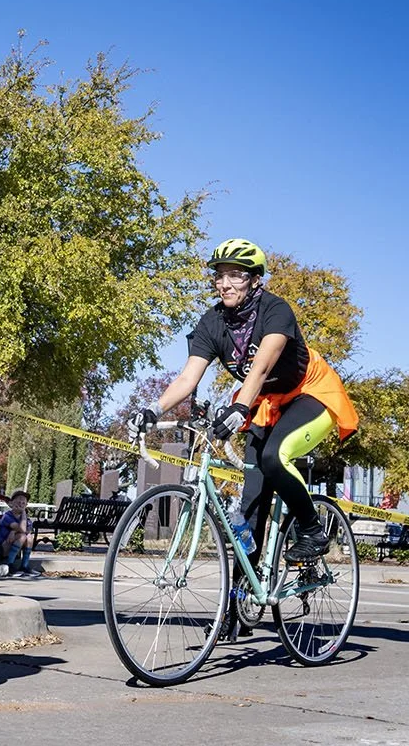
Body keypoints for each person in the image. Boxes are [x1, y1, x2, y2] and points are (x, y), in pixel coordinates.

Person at [127, 238, 358, 567]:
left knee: (274, 457)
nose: (225, 283)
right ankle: (238, 607)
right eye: (219, 276)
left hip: (310, 392)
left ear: (254, 279)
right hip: (264, 402)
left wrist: (239, 408)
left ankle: (312, 530)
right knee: (250, 506)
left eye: (235, 275)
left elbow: (261, 366)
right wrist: (152, 410)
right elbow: (187, 379)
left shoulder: (276, 310)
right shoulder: (212, 322)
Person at [0, 489, 37, 577]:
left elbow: (27, 530)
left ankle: (24, 565)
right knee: (22, 536)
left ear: (26, 505)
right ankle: (9, 564)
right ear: (11, 503)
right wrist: (23, 513)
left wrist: (13, 531)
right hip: (1, 547)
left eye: (23, 503)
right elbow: (22, 529)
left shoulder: (26, 519)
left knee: (29, 537)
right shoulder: (7, 516)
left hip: (13, 546)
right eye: (18, 502)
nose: (21, 505)